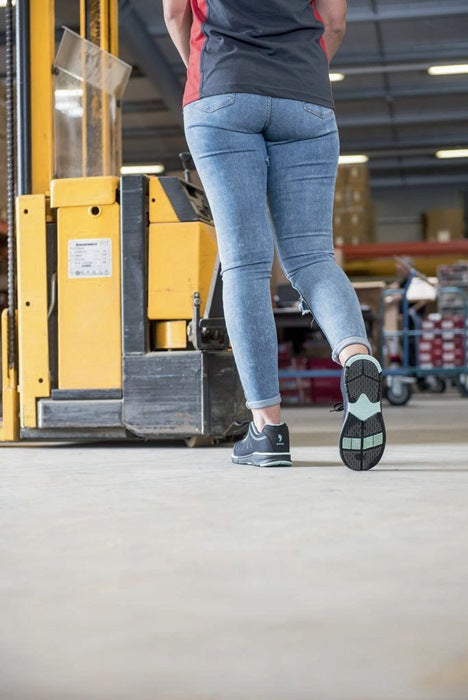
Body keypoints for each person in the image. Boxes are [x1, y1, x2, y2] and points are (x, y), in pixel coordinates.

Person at [163, 0, 385, 470]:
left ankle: (268, 429)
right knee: (312, 258)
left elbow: (175, 14)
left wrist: (203, 72)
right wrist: (301, 74)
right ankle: (355, 356)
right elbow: (335, 21)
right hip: (305, 95)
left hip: (222, 87)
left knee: (245, 263)